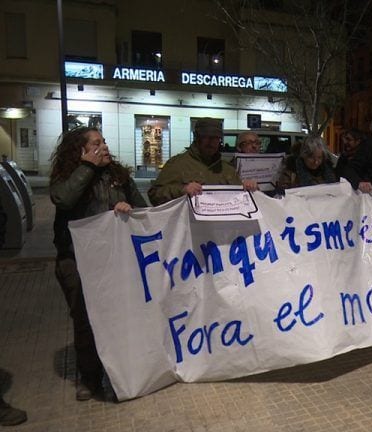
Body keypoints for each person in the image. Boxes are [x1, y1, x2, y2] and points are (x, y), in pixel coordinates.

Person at [49, 127, 147, 400]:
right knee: (85, 320)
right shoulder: (68, 176)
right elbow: (64, 199)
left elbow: (142, 209)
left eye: (103, 141)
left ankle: (118, 374)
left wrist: (128, 208)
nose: (103, 146)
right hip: (75, 261)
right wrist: (87, 168)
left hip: (113, 260)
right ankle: (89, 378)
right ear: (79, 151)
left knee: (116, 318)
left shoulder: (118, 176)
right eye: (95, 143)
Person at [148, 118, 258, 205]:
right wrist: (182, 190)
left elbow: (242, 200)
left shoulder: (227, 169)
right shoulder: (177, 164)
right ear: (197, 137)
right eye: (206, 137)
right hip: (189, 228)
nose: (211, 142)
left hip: (222, 229)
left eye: (215, 138)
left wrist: (249, 188)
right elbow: (154, 195)